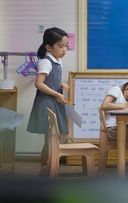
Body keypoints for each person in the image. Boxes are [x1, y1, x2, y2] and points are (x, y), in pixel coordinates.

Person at [27, 27, 69, 175]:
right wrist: (57, 95)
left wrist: (62, 85)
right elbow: (39, 84)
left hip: (54, 100)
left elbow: (52, 81)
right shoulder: (46, 61)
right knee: (52, 138)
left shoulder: (57, 61)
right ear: (49, 47)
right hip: (46, 102)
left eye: (66, 46)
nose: (65, 50)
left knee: (58, 136)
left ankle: (48, 167)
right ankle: (46, 168)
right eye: (61, 46)